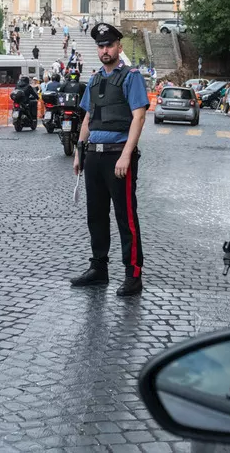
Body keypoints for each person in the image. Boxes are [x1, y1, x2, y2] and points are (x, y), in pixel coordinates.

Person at [70, 22, 150, 297]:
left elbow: (139, 116)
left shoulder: (132, 77)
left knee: (126, 218)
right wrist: (80, 151)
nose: (105, 50)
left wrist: (127, 154)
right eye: (101, 46)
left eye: (109, 45)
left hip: (118, 157)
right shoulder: (93, 80)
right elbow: (88, 118)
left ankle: (133, 275)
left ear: (119, 47)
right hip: (94, 156)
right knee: (96, 217)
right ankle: (99, 269)